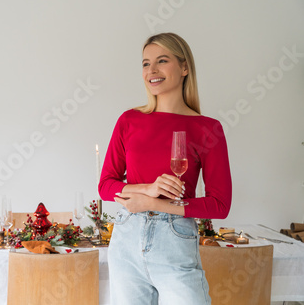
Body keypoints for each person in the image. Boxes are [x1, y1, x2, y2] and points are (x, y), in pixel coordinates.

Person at [98, 32, 232, 305]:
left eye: (162, 61)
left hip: (175, 239)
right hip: (126, 241)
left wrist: (154, 203)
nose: (152, 70)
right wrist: (147, 188)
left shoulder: (208, 129)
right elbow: (106, 185)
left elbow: (220, 205)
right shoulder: (129, 120)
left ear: (184, 68)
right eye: (146, 63)